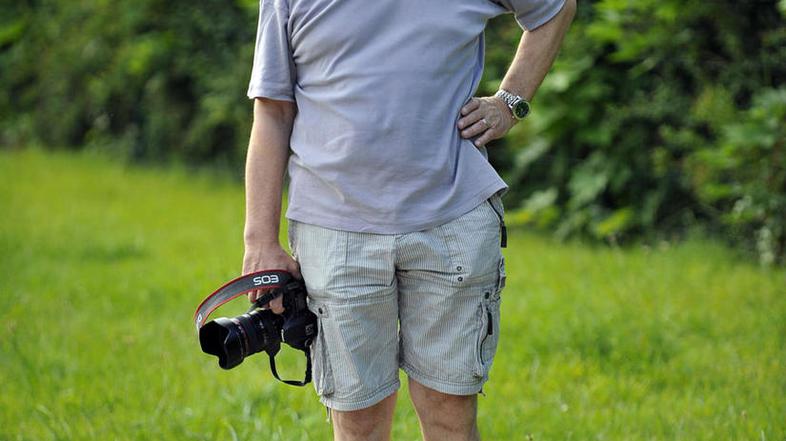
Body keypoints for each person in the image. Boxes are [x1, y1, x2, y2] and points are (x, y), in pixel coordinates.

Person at [242, 0, 575, 439]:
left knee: (449, 414)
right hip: (334, 232)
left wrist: (509, 103)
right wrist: (259, 241)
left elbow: (554, 8)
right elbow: (273, 110)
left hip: (452, 221)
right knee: (358, 423)